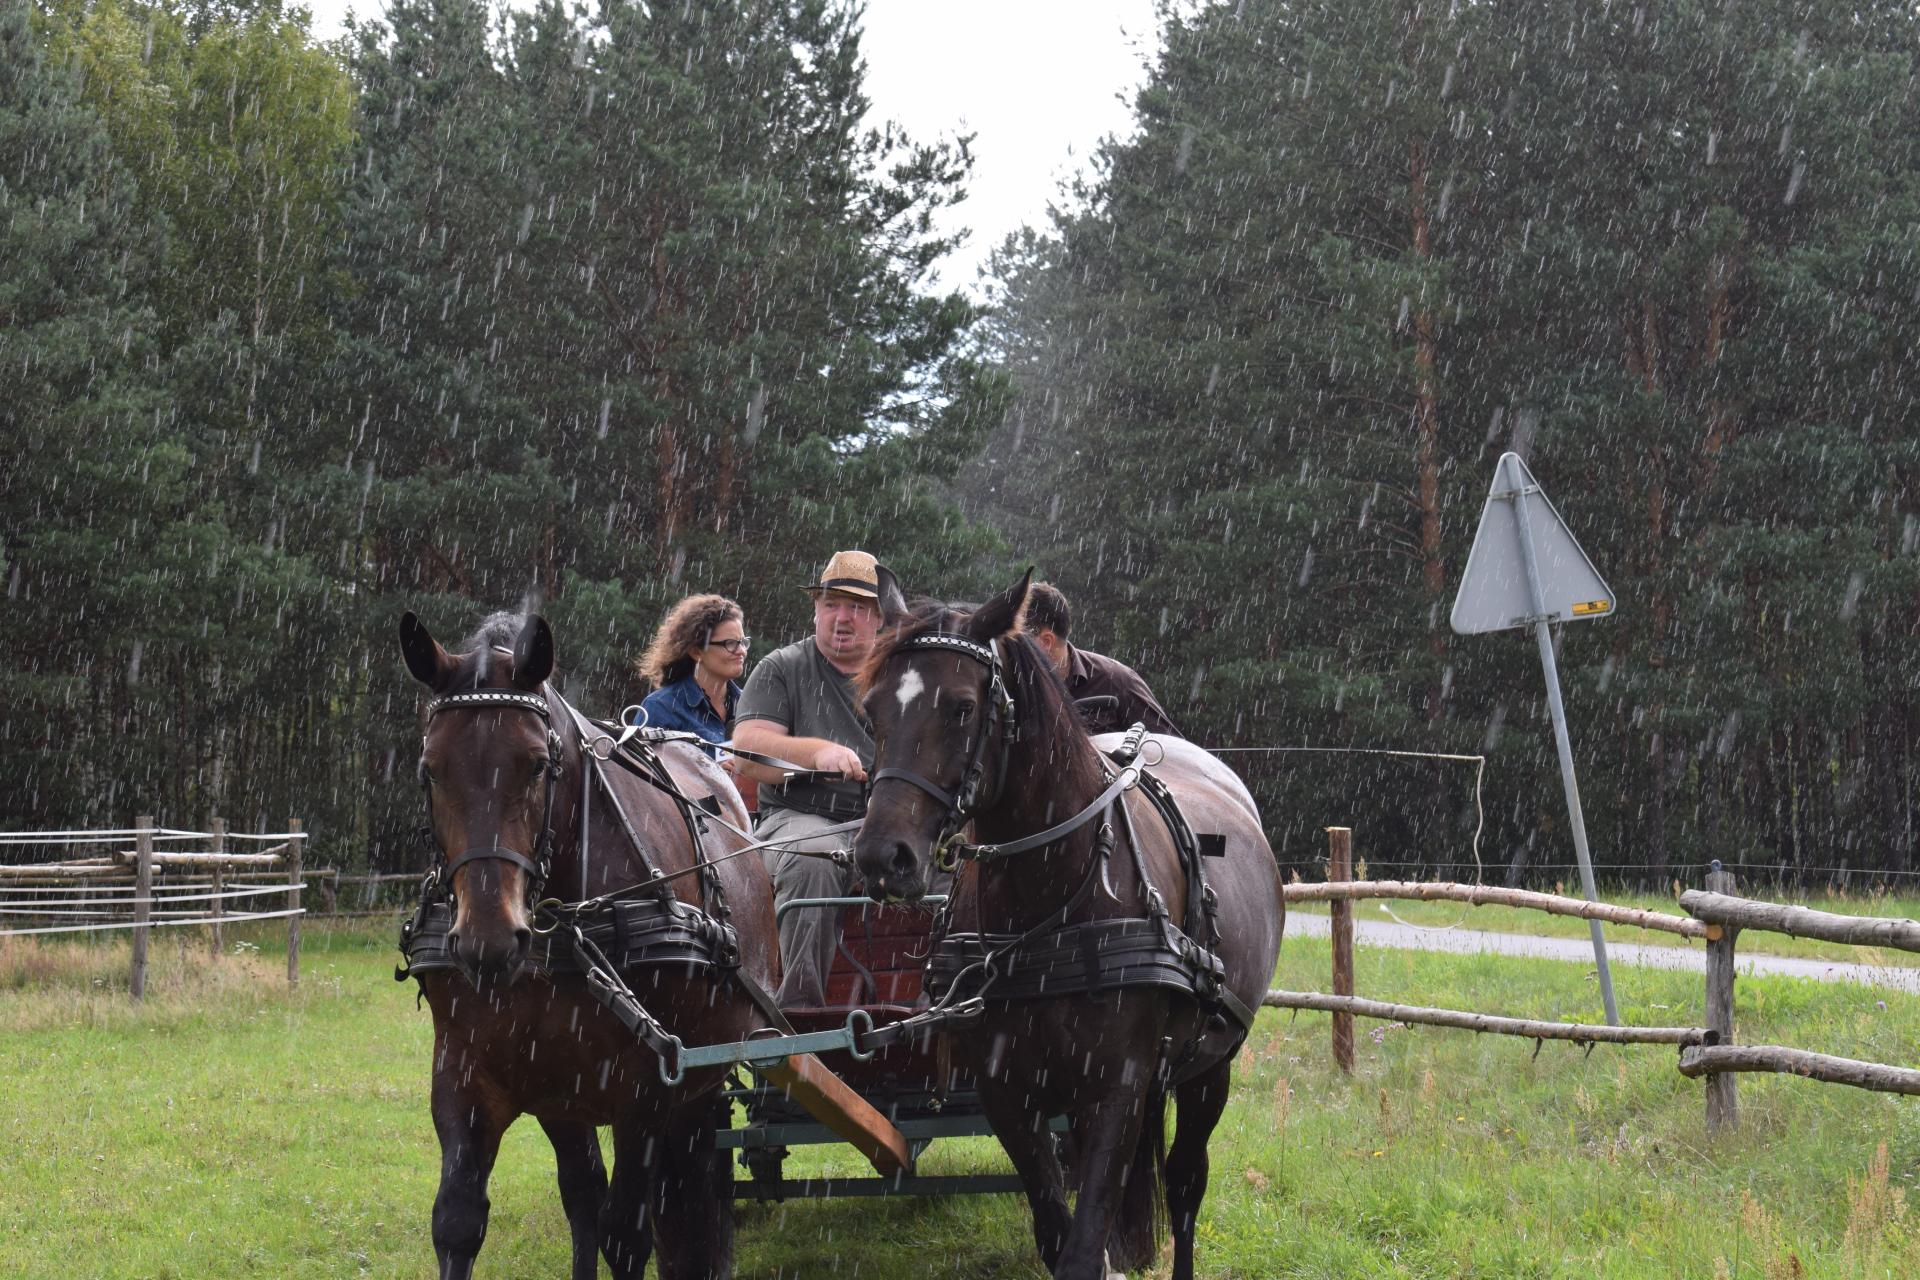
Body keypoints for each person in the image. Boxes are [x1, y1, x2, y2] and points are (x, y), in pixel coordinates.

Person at [731, 550, 888, 1006]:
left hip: (886, 822)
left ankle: (950, 1007)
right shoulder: (782, 668)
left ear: (878, 618)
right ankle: (800, 1018)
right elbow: (747, 750)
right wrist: (818, 753)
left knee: (963, 865)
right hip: (799, 817)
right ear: (815, 609)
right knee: (814, 860)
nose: (842, 618)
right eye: (831, 603)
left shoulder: (902, 673)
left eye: (857, 607)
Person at [1022, 580, 1182, 738]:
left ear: (1045, 641)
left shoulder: (1117, 681)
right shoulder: (1008, 689)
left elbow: (1172, 751)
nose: (1008, 649)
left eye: (1015, 640)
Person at [634, 594, 749, 758]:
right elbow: (641, 775)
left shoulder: (752, 708)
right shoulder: (662, 707)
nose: (742, 651)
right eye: (730, 643)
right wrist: (711, 771)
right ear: (696, 651)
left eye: (743, 642)